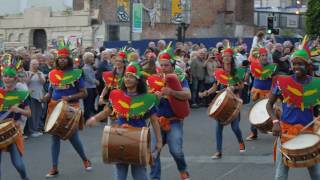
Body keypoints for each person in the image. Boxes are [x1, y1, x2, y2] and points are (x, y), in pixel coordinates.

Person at [87, 63, 162, 180]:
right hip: (119, 138)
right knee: (120, 174)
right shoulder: (117, 94)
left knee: (140, 175)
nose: (127, 79)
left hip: (139, 140)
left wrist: (159, 141)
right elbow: (107, 112)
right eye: (126, 76)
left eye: (131, 76)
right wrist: (94, 118)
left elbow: (154, 121)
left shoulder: (148, 98)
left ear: (137, 80)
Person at [266, 41, 320, 180]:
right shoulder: (283, 82)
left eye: (300, 64)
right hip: (286, 132)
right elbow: (269, 105)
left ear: (307, 66)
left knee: (316, 173)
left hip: (308, 133)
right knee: (280, 175)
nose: (296, 66)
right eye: (294, 63)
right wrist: (276, 121)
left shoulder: (316, 84)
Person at [42, 44, 92, 178]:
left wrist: (69, 97)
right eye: (60, 58)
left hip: (70, 108)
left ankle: (85, 160)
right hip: (54, 107)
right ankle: (54, 167)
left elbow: (84, 93)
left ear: (68, 60)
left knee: (73, 137)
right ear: (57, 60)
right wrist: (46, 96)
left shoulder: (76, 73)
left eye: (64, 58)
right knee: (54, 138)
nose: (62, 60)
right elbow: (51, 90)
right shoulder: (52, 74)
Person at [150, 49, 191, 180]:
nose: (163, 68)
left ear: (172, 66)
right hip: (156, 121)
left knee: (176, 151)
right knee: (154, 153)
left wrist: (171, 92)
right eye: (161, 65)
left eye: (166, 65)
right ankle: (155, 178)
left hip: (174, 121)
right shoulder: (154, 80)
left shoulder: (179, 78)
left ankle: (183, 169)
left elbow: (187, 95)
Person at [199, 47, 246, 159]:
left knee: (235, 127)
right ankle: (218, 151)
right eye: (224, 57)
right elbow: (215, 87)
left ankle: (240, 141)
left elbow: (242, 86)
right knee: (218, 128)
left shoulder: (237, 72)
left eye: (228, 56)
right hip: (221, 102)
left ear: (231, 58)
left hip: (234, 101)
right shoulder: (219, 72)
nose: (226, 58)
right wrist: (206, 93)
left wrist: (233, 88)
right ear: (222, 59)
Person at [0, 54, 31, 180]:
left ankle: (25, 178)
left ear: (15, 79)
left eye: (10, 76)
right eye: (5, 76)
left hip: (13, 131)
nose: (7, 79)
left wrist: (18, 109)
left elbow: (29, 113)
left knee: (18, 164)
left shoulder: (22, 94)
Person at [246, 48, 277, 140]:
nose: (264, 57)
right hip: (256, 93)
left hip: (268, 93)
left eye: (265, 55)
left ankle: (275, 129)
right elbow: (247, 75)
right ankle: (253, 133)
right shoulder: (253, 66)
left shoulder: (272, 67)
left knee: (272, 112)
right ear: (258, 57)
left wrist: (271, 75)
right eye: (262, 56)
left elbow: (276, 78)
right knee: (254, 112)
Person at [26, 59, 46, 137]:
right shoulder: (27, 73)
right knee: (32, 114)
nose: (35, 66)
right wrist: (31, 76)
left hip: (39, 95)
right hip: (31, 95)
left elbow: (43, 83)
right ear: (30, 65)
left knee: (38, 113)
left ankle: (36, 128)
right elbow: (26, 83)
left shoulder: (40, 73)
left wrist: (39, 75)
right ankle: (32, 130)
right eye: (33, 64)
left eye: (36, 64)